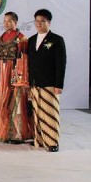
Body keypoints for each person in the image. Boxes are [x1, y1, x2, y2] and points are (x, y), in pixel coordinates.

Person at [28, 9, 66, 152]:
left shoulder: (57, 40)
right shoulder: (31, 40)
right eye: (36, 21)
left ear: (48, 22)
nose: (38, 24)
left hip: (50, 83)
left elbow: (61, 64)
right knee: (37, 112)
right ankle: (39, 139)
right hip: (34, 83)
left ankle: (52, 142)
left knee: (50, 113)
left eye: (42, 21)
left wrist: (59, 84)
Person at [0, 11, 32, 143]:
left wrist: (20, 76)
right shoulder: (2, 37)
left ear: (15, 22)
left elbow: (25, 59)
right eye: (4, 21)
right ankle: (2, 131)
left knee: (16, 101)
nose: (6, 23)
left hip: (16, 73)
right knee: (2, 100)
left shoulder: (22, 38)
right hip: (3, 73)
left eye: (9, 21)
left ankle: (17, 134)